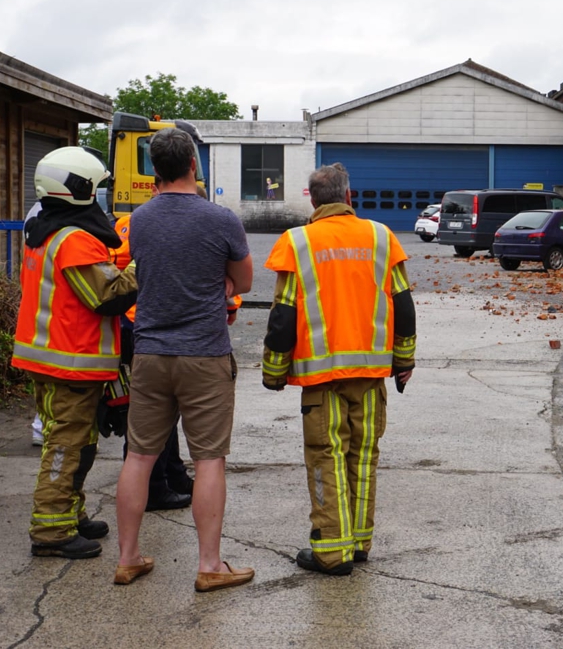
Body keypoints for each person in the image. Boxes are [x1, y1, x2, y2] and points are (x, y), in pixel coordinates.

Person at [114, 127, 255, 591]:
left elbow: (143, 272)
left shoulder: (140, 221)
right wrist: (223, 283)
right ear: (194, 164)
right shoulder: (222, 220)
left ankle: (129, 557)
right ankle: (210, 565)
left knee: (139, 456)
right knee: (209, 459)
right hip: (204, 356)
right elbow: (246, 282)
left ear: (155, 170)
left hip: (151, 353)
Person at [261, 162, 416, 576]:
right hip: (369, 378)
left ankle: (332, 551)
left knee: (324, 457)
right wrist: (404, 361)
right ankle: (359, 542)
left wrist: (273, 371)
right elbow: (402, 304)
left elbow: (283, 315)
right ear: (349, 197)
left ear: (312, 200)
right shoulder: (381, 237)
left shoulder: (297, 242)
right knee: (363, 458)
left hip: (322, 380)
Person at [12, 147, 138, 559]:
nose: (100, 197)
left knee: (78, 442)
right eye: (97, 188)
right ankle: (51, 531)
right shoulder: (75, 240)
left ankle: (69, 514)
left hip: (50, 358)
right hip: (70, 362)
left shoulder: (43, 230)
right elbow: (108, 297)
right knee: (66, 445)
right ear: (78, 189)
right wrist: (138, 267)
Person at [107, 196, 193, 512]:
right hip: (150, 324)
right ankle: (156, 487)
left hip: (130, 322)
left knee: (155, 410)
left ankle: (173, 474)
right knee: (151, 415)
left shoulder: (128, 223)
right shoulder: (174, 224)